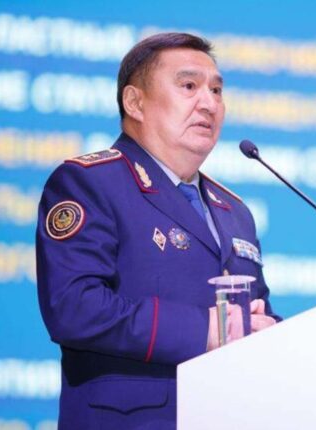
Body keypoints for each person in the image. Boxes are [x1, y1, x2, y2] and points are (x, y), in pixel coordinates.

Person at [36, 32, 279, 429]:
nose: (209, 103)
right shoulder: (91, 182)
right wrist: (207, 330)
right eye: (189, 86)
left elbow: (256, 315)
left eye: (216, 90)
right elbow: (74, 307)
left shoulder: (234, 210)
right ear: (135, 103)